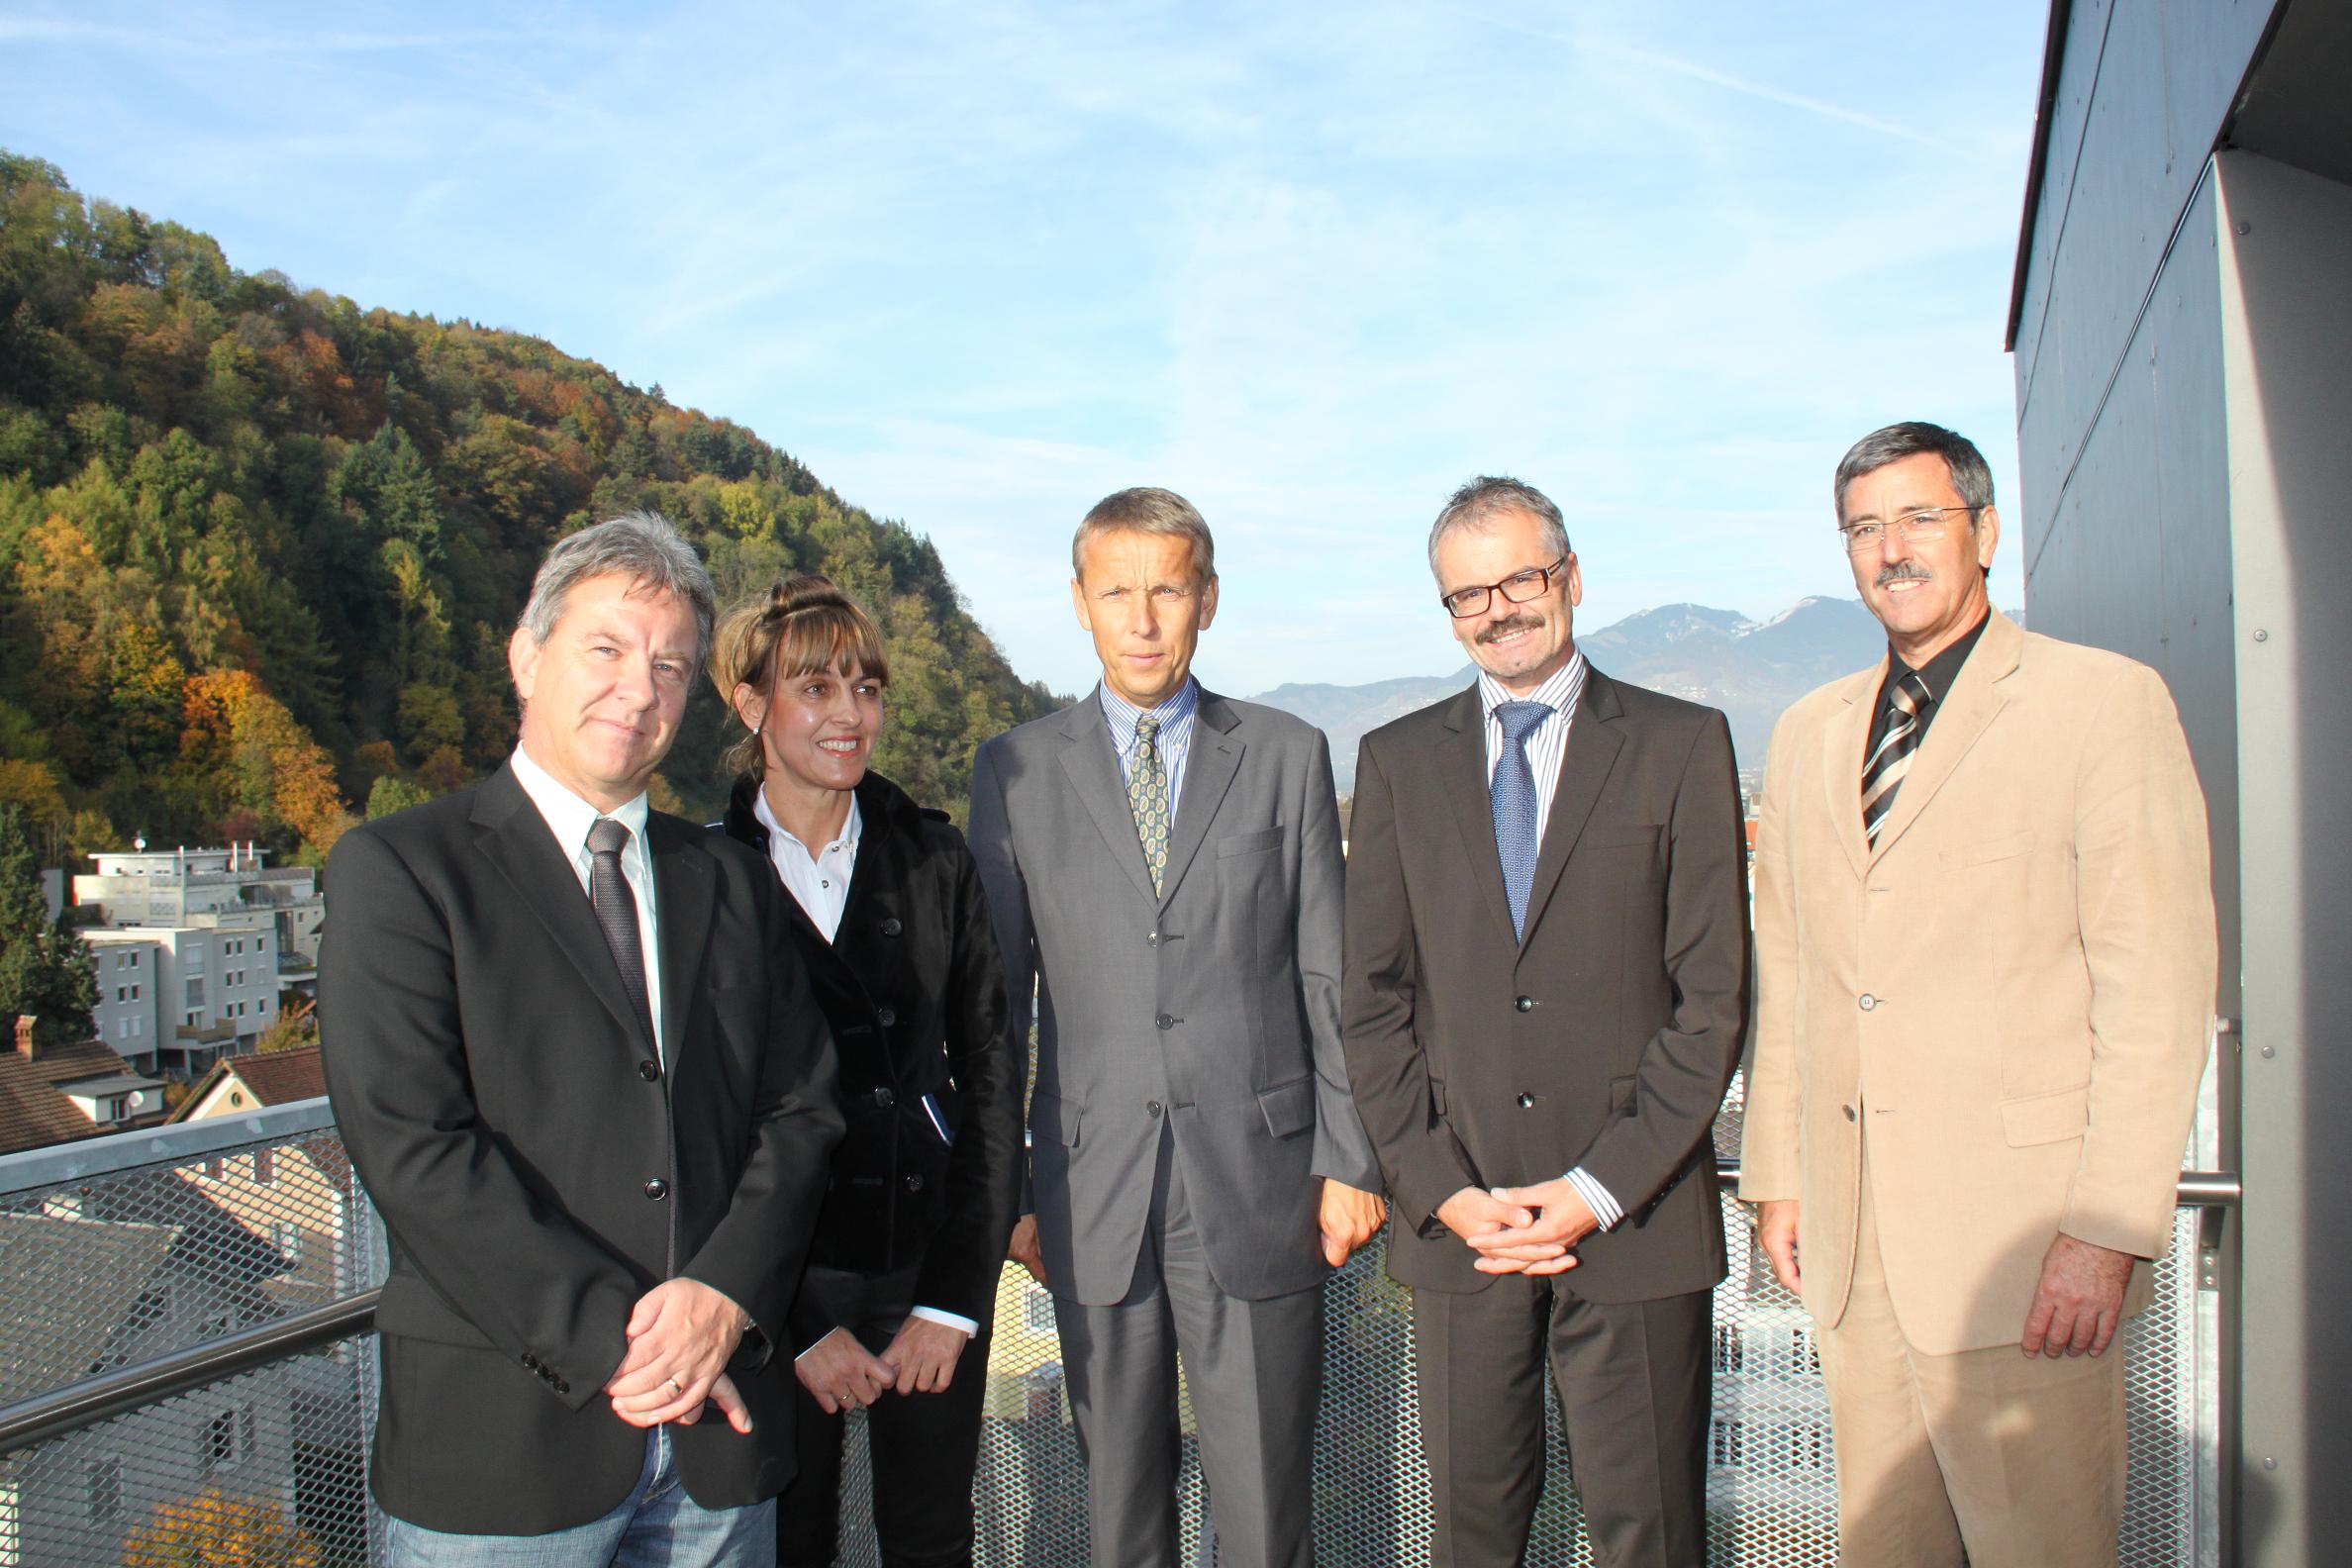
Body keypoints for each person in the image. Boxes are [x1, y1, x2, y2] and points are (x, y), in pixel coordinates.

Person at [320, 512, 843, 1566]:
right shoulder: (403, 871)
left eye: (670, 667)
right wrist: (629, 1343)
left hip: (718, 1447)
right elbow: (414, 1145)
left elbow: (803, 1108)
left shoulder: (731, 879)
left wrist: (724, 1301)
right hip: (506, 1452)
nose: (638, 688)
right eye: (606, 649)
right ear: (527, 654)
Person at [1739, 422, 2216, 1568]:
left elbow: (2155, 989)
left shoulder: (2101, 704)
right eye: (1864, 527)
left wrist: (2105, 1233)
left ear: (1985, 531)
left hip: (2025, 1255)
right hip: (1858, 1257)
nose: (1889, 549)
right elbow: (1796, 966)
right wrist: (1778, 1180)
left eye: (1917, 518)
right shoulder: (1809, 735)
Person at [966, 486, 1386, 1568]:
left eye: (1167, 589)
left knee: (1263, 1509)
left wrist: (1351, 1161)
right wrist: (1007, 1189)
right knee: (1120, 1512)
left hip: (1260, 1182)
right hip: (1088, 1186)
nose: (1143, 618)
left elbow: (1326, 972)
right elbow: (996, 1003)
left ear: (1207, 600)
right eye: (1118, 591)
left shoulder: (1287, 752)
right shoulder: (1014, 769)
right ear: (1079, 602)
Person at [1340, 476, 1748, 1568]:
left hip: (1635, 1225)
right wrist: (1444, 1194)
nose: (1497, 610)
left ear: (1570, 579)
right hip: (1461, 1232)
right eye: (1466, 593)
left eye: (1518, 579)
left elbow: (1712, 1001)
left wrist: (1594, 1192)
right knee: (1474, 1539)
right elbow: (1371, 1004)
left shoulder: (1680, 744)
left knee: (1649, 1537)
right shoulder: (1396, 762)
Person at [709, 574, 1023, 1568]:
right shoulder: (705, 875)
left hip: (923, 1262)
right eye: (816, 688)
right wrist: (794, 1325)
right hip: (772, 1283)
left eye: (868, 688)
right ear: (751, 703)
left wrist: (951, 1304)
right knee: (785, 1538)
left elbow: (989, 1076)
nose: (850, 716)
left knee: (933, 1536)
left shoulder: (934, 860)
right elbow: (701, 1123)